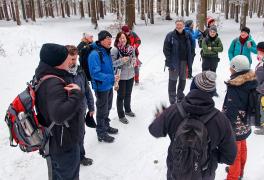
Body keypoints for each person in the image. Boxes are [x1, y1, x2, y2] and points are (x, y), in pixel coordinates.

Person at [149, 71, 237, 180]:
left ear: (192, 87)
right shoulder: (221, 121)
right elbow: (229, 157)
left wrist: (160, 117)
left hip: (176, 173)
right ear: (212, 93)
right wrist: (210, 154)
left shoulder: (174, 111)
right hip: (204, 175)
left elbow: (154, 130)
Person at [35, 43, 84, 180]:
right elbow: (58, 115)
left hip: (55, 141)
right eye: (65, 58)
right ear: (58, 62)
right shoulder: (53, 83)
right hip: (64, 144)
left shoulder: (44, 75)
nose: (69, 61)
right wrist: (77, 94)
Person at [222, 55, 258, 180]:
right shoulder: (250, 81)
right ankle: (240, 171)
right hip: (246, 121)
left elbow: (231, 110)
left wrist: (226, 127)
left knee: (234, 153)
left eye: (231, 67)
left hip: (235, 124)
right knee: (242, 146)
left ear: (236, 69)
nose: (229, 69)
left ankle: (232, 176)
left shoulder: (236, 86)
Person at [65, 45, 95, 166]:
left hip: (81, 110)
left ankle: (80, 156)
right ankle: (72, 159)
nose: (74, 62)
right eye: (72, 59)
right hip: (67, 114)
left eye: (76, 58)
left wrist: (91, 107)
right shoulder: (62, 75)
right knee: (70, 138)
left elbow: (87, 90)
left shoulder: (80, 70)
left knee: (81, 134)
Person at [88, 30, 119, 143]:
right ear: (101, 40)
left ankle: (106, 126)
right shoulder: (95, 54)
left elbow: (109, 67)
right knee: (101, 111)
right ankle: (101, 133)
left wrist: (113, 78)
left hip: (108, 86)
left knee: (108, 108)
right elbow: (95, 74)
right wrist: (111, 78)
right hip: (101, 88)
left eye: (111, 39)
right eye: (107, 39)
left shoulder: (106, 52)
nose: (110, 41)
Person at [163, 18, 192, 104]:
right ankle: (172, 100)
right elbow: (166, 50)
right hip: (174, 63)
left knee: (182, 80)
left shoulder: (187, 35)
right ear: (175, 25)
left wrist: (190, 61)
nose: (179, 26)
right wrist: (170, 62)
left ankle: (180, 97)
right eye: (177, 25)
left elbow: (191, 49)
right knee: (172, 81)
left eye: (180, 24)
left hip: (184, 62)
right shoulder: (170, 35)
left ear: (183, 25)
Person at [111, 32, 137, 124]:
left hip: (130, 75)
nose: (122, 40)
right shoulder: (115, 50)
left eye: (124, 38)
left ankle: (128, 110)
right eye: (120, 38)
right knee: (121, 96)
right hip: (120, 76)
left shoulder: (131, 48)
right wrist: (121, 60)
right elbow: (112, 63)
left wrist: (134, 61)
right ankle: (121, 115)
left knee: (128, 94)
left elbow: (134, 58)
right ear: (118, 39)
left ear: (127, 38)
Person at [253, 42, 264, 135]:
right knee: (260, 108)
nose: (258, 53)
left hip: (262, 90)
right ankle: (260, 123)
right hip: (259, 89)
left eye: (259, 52)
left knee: (263, 109)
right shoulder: (261, 62)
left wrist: (261, 88)